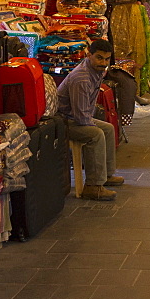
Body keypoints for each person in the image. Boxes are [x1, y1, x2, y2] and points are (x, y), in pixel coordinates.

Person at [57, 39, 124, 202]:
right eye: (99, 58)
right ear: (89, 55)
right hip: (64, 121)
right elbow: (81, 117)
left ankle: (105, 175)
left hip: (75, 117)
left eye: (107, 59)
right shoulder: (82, 78)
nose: (104, 63)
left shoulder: (97, 70)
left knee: (107, 129)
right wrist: (93, 124)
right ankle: (93, 186)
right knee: (96, 134)